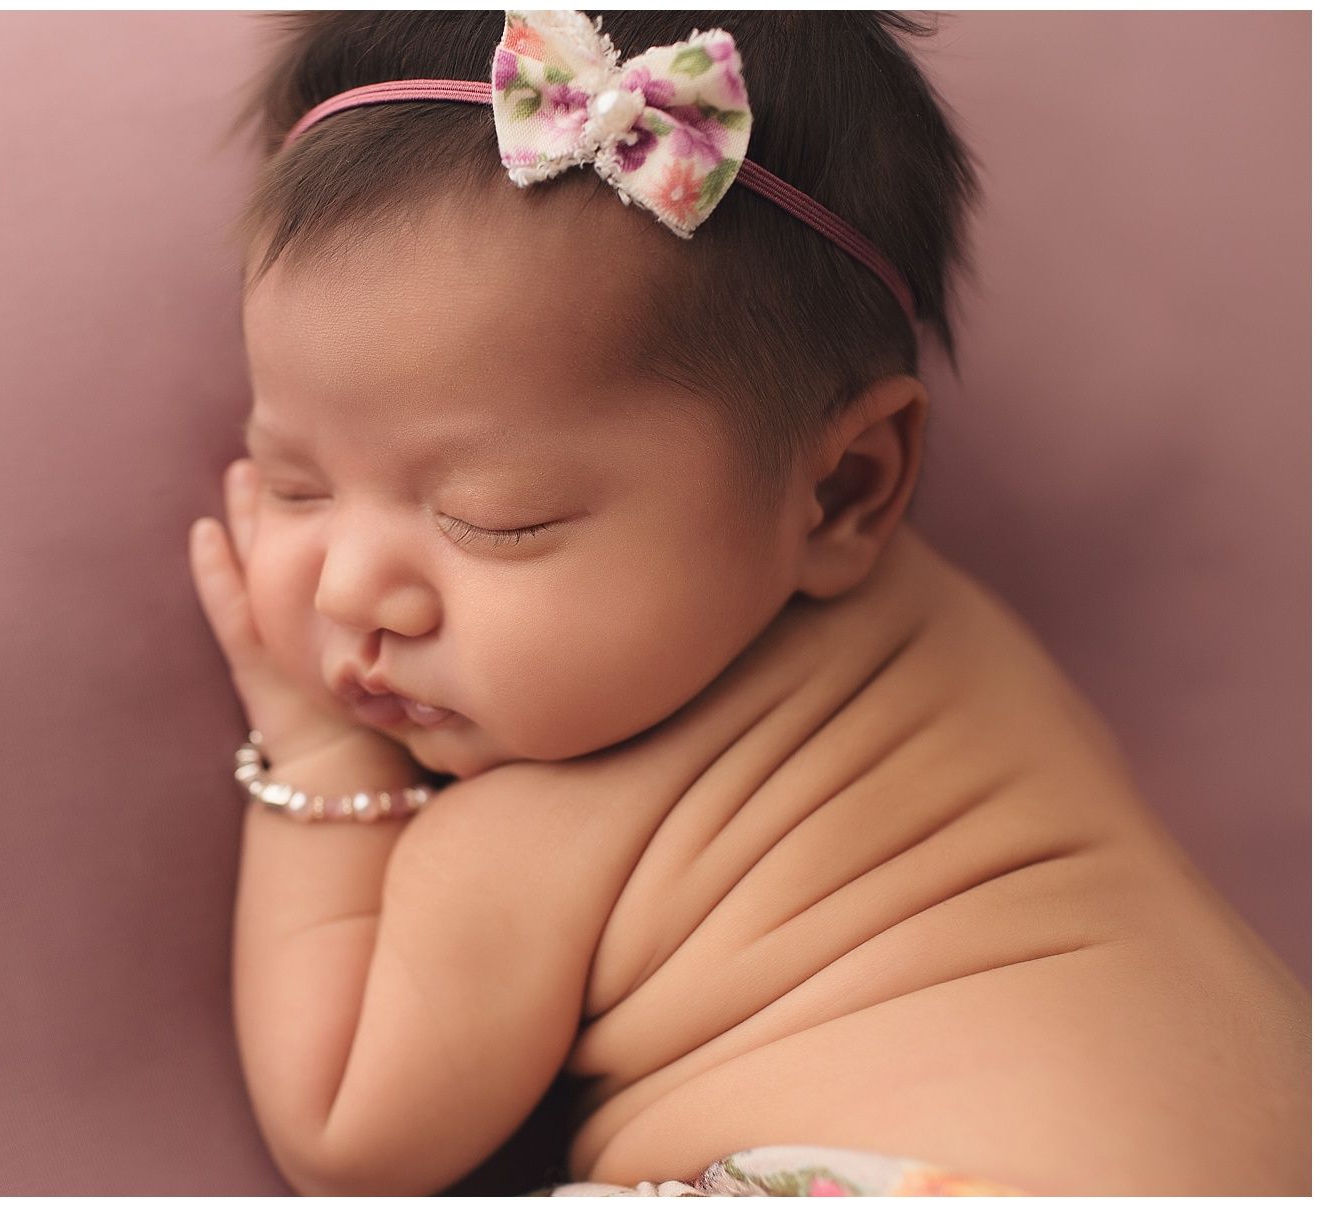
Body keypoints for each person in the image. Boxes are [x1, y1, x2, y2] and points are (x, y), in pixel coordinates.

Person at [185, 10, 1309, 1197]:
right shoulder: (959, 642)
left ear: (841, 490)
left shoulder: (528, 834)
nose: (350, 589)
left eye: (494, 517)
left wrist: (315, 747)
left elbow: (347, 1135)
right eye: (295, 484)